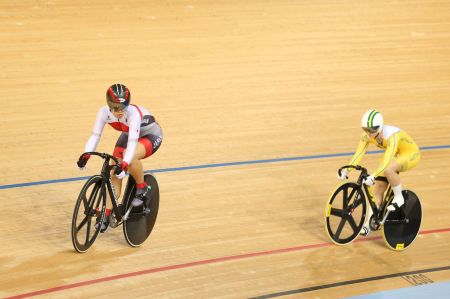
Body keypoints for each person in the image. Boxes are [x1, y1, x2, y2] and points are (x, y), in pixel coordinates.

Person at [77, 83, 163, 232]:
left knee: (129, 159)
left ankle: (142, 188)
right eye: (115, 107)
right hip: (128, 134)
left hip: (150, 135)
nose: (119, 111)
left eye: (123, 106)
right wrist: (86, 154)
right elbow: (95, 135)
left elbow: (132, 143)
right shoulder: (104, 113)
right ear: (108, 104)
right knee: (114, 173)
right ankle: (107, 213)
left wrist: (125, 163)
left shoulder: (133, 115)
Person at [338, 109, 420, 236]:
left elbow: (387, 159)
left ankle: (399, 197)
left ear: (380, 127)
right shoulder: (367, 136)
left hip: (410, 154)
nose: (369, 134)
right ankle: (369, 224)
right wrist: (347, 169)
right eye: (366, 130)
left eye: (372, 130)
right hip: (396, 155)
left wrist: (374, 175)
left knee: (388, 169)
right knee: (377, 190)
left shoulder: (391, 136)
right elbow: (358, 154)